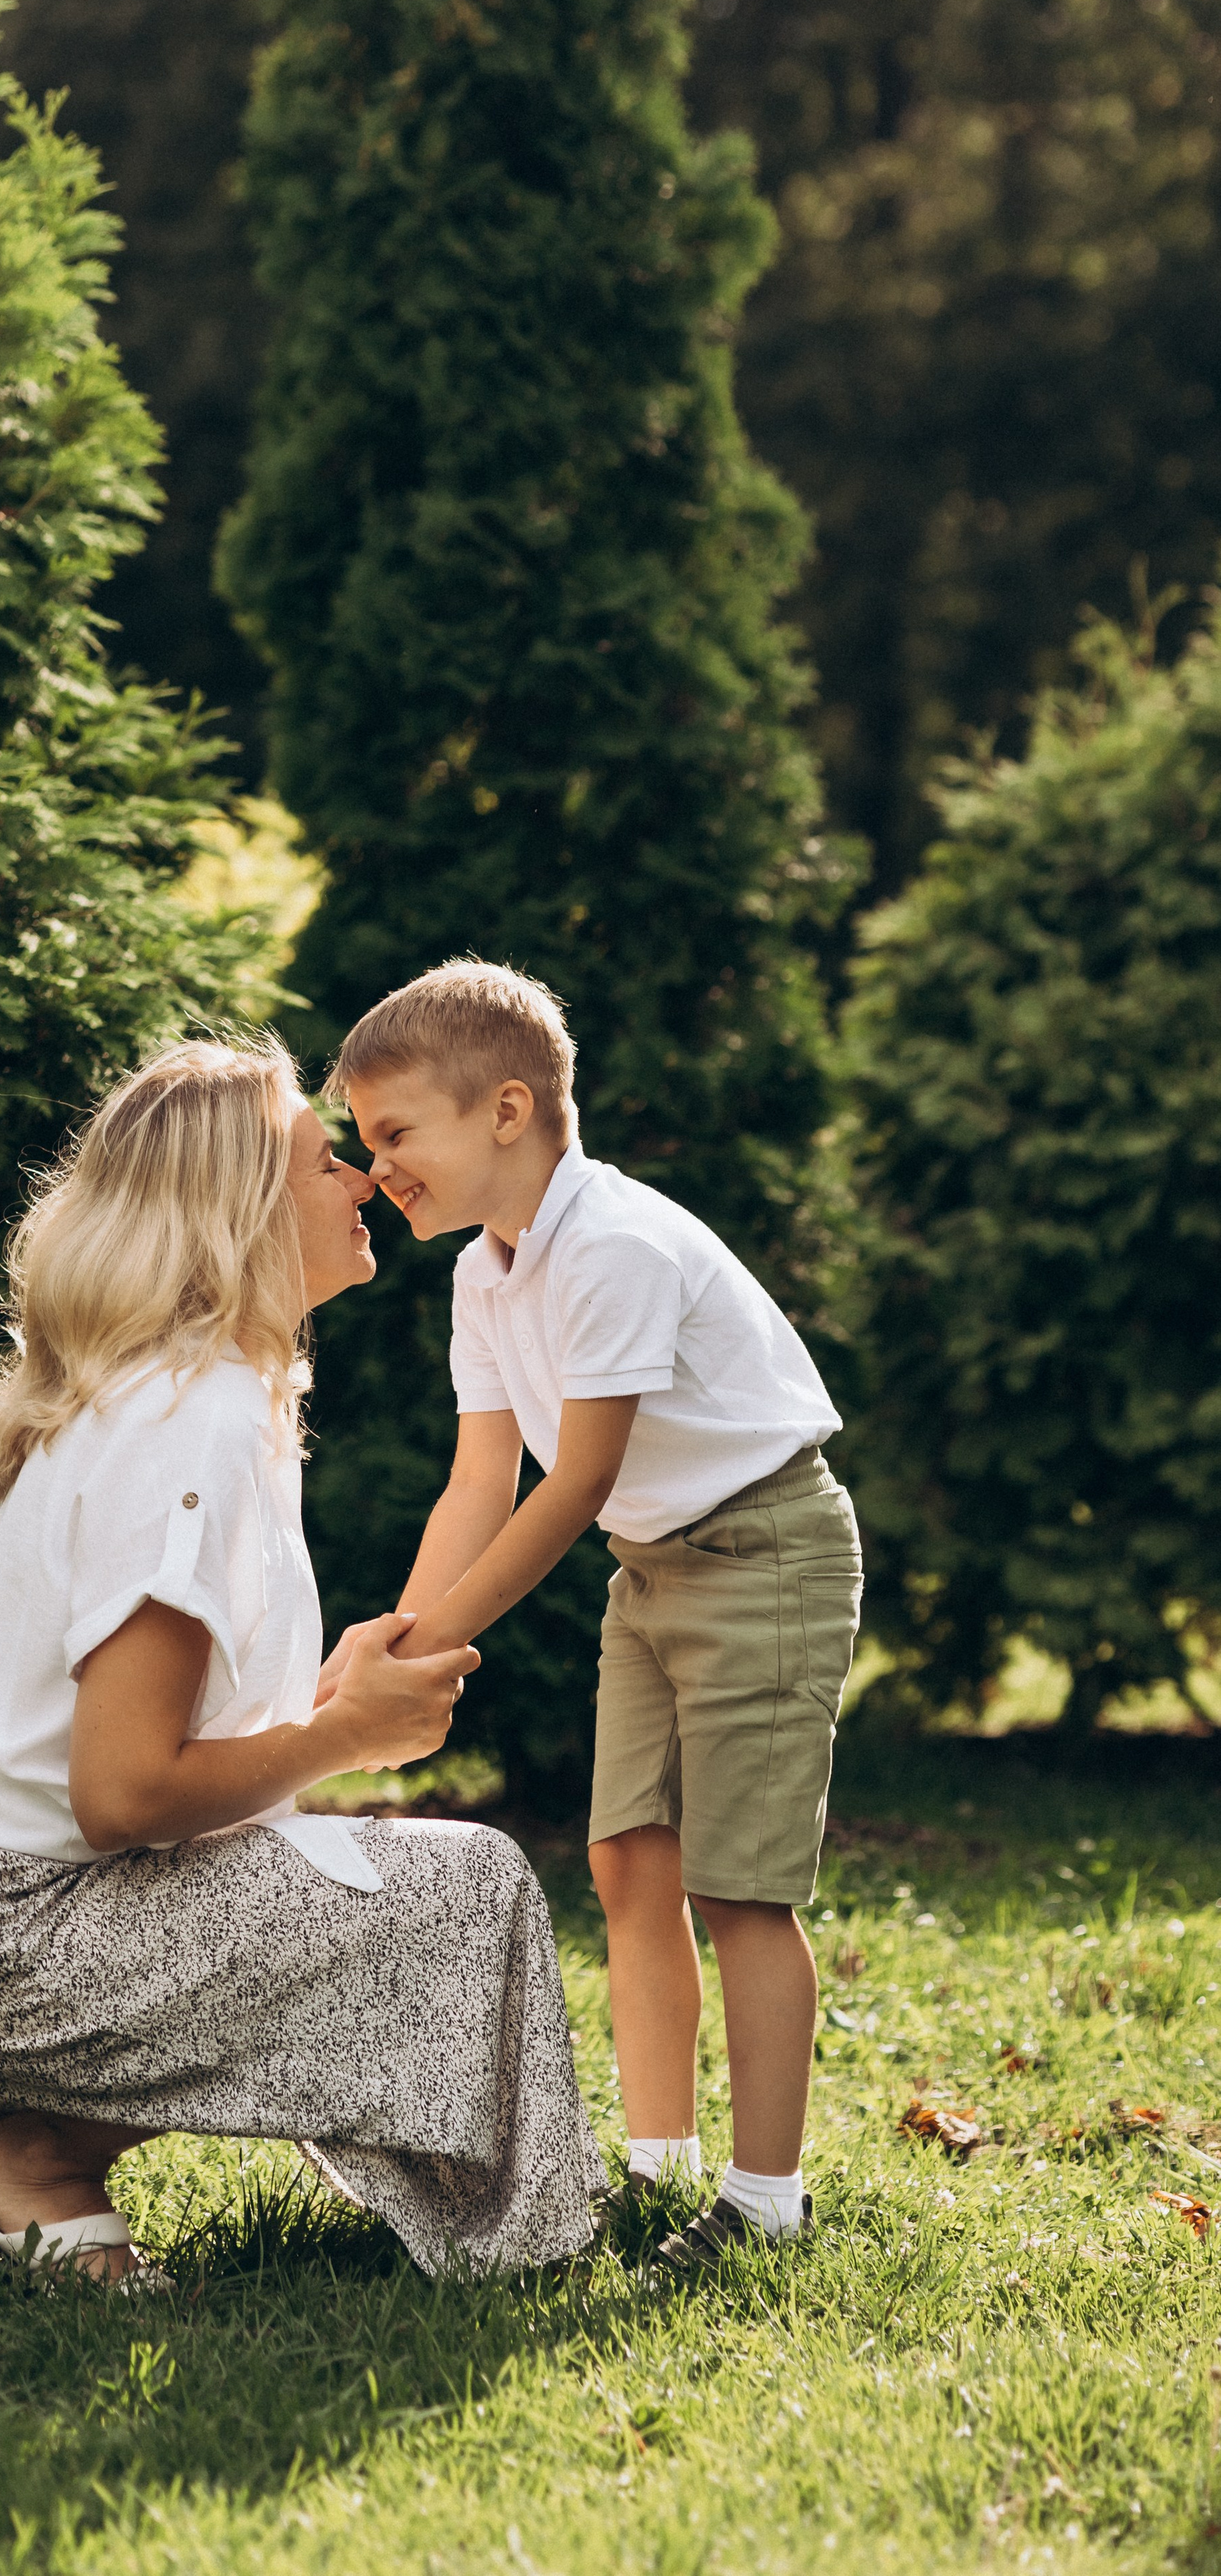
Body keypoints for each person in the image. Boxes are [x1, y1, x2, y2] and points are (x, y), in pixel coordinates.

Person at [0, 1036, 608, 2284]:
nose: (363, 1180)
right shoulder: (188, 1419)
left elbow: (136, 1743)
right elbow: (125, 1796)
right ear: (241, 1214)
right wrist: (348, 1737)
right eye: (324, 1162)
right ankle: (34, 2161)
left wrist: (317, 1704)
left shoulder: (185, 1396)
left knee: (379, 1872)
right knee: (468, 1891)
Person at [327, 962, 861, 2278]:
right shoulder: (486, 1277)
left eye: (397, 1134)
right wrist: (404, 1641)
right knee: (630, 1863)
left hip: (765, 1556)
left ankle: (765, 2206)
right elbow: (481, 1480)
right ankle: (657, 2169)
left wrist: (436, 1641)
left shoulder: (612, 1246)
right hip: (655, 1573)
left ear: (507, 1111)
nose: (377, 1167)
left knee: (741, 1888)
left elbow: (578, 1484)